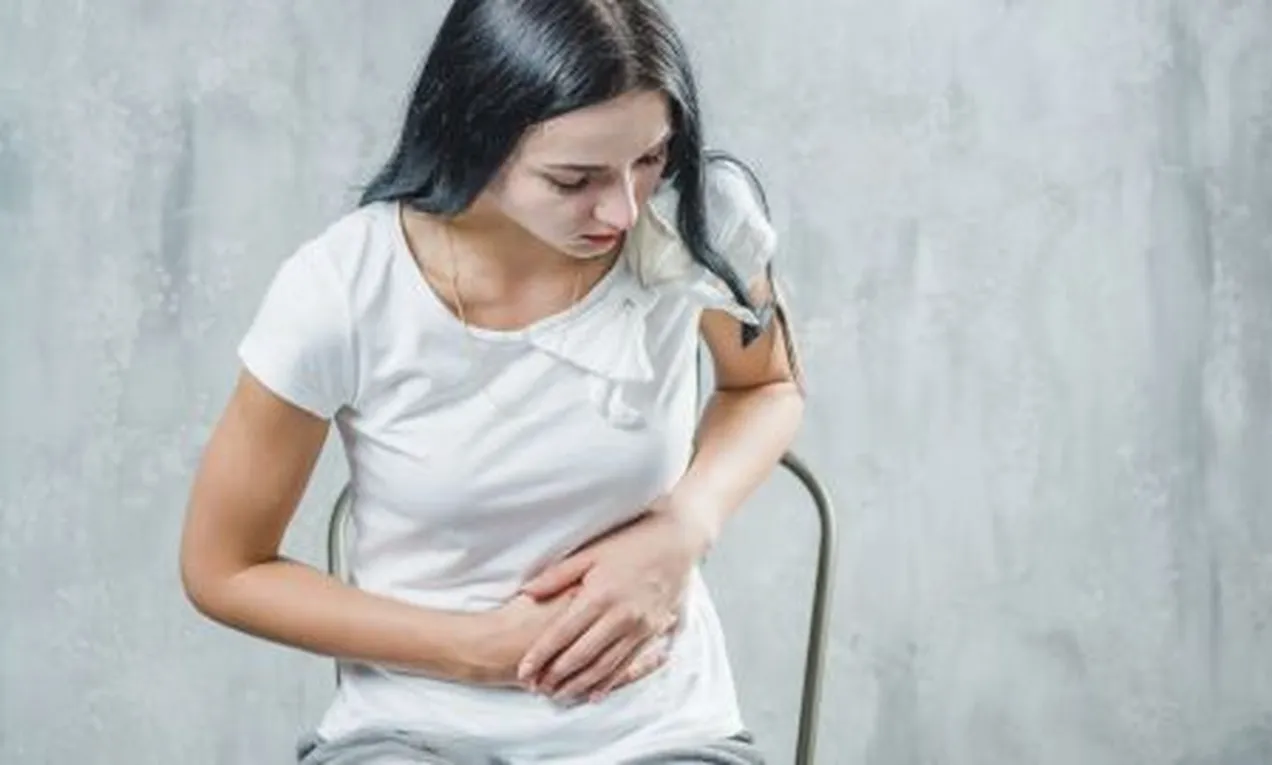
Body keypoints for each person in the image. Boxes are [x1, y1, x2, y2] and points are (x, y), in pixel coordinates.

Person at [178, 0, 804, 762]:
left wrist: (685, 527)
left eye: (649, 158)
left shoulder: (695, 218)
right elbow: (224, 566)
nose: (623, 208)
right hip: (413, 731)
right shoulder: (344, 288)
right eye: (573, 179)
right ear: (476, 135)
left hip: (659, 727)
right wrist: (476, 649)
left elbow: (765, 385)